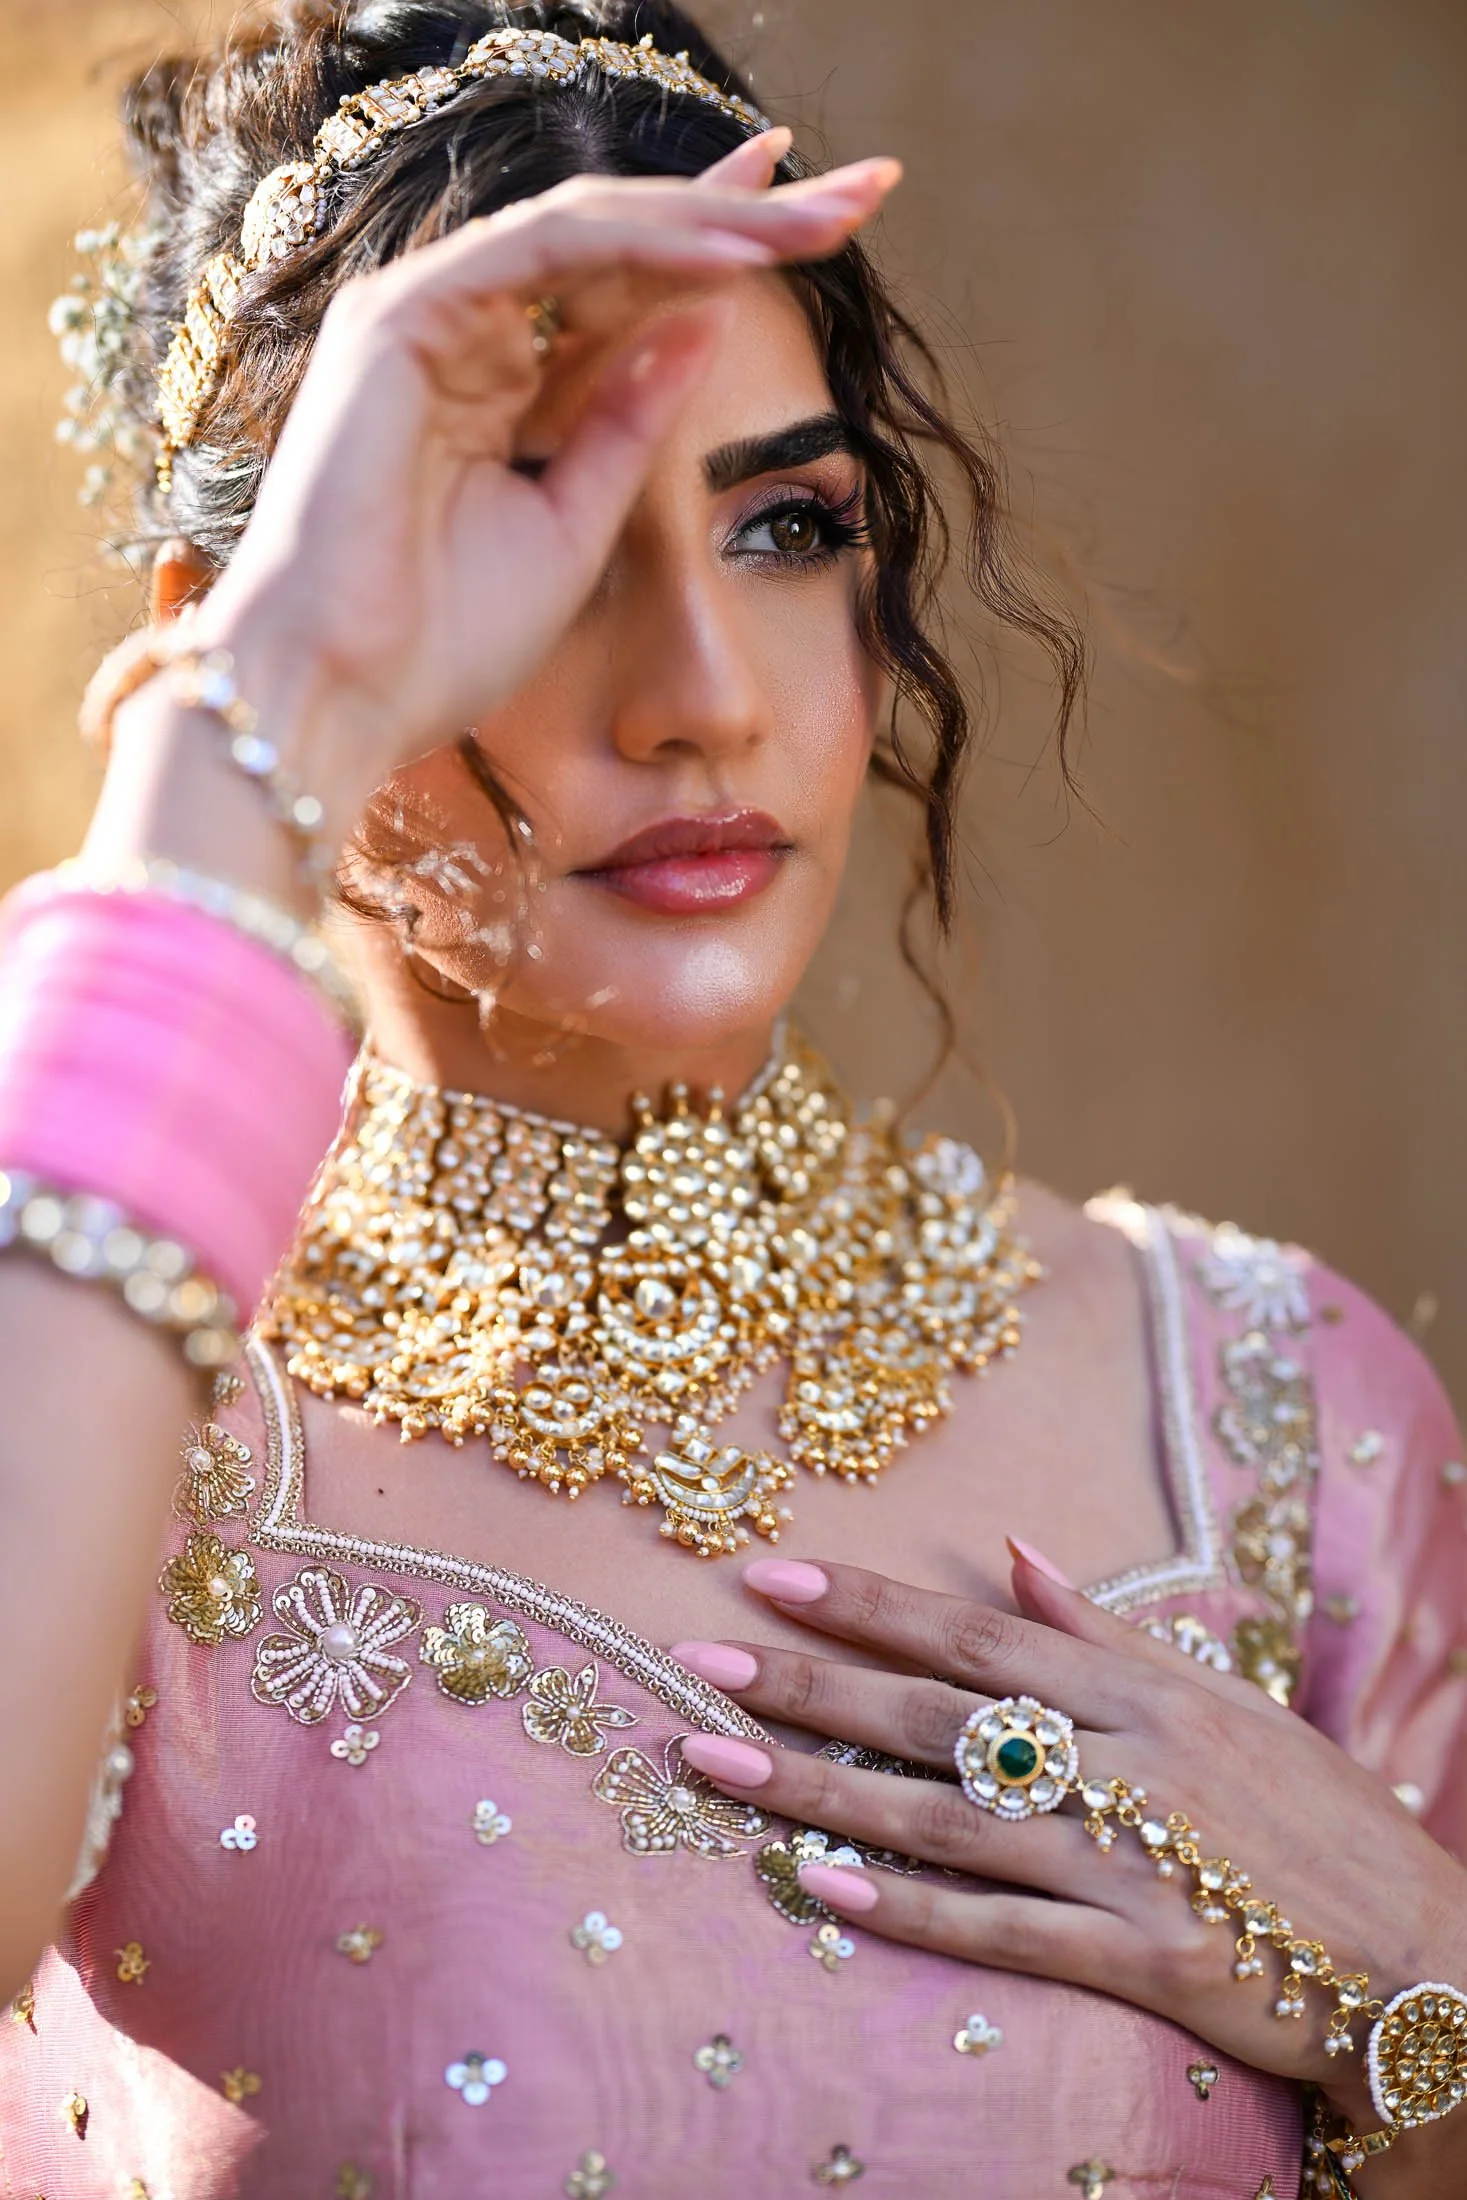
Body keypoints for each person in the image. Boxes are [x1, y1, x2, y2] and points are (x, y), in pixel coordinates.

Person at [0, 4, 1463, 2194]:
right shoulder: (94, 1417)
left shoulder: (1267, 1411)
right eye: (538, 530)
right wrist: (255, 718)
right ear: (246, 611)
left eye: (783, 525)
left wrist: (1429, 1968)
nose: (699, 695)